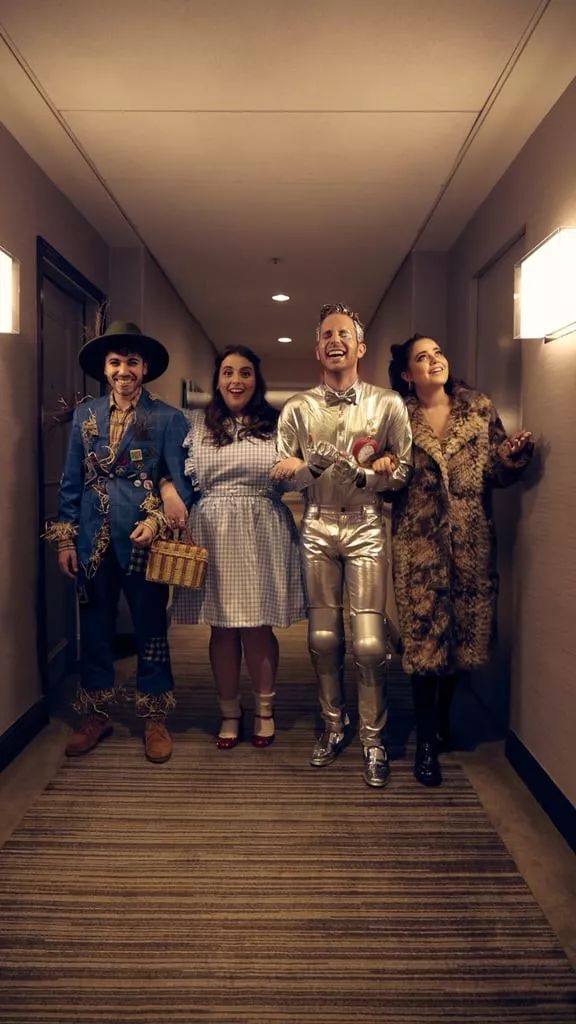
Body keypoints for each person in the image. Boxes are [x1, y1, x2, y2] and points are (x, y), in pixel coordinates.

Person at [381, 334, 534, 787]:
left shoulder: (478, 410)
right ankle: (426, 741)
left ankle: (443, 720)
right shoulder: (398, 416)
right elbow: (388, 484)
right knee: (424, 643)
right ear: (407, 374)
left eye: (438, 353)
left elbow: (495, 471)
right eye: (422, 357)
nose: (435, 361)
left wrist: (512, 457)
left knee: (461, 642)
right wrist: (381, 465)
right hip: (418, 545)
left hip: (471, 542)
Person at [272, 303, 412, 788]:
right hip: (316, 523)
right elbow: (282, 476)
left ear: (360, 347)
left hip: (366, 523)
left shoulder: (388, 404)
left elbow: (404, 471)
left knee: (370, 644)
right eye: (327, 335)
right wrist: (306, 469)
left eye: (344, 334)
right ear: (317, 349)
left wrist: (369, 476)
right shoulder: (297, 408)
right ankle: (334, 725)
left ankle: (374, 739)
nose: (335, 341)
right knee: (322, 637)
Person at [44, 321, 193, 763]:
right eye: (115, 362)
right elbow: (72, 480)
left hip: (143, 540)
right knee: (94, 628)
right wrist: (65, 540)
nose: (123, 370)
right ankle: (96, 714)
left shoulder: (166, 417)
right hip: (91, 539)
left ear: (144, 368)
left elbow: (182, 482)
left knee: (151, 628)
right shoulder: (85, 416)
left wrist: (158, 520)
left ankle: (154, 716)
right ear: (104, 369)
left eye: (131, 362)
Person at [169, 345, 305, 748]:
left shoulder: (278, 424)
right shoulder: (194, 423)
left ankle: (264, 710)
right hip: (212, 529)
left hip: (263, 528)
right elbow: (170, 470)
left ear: (256, 380)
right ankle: (229, 712)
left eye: (245, 372)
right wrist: (166, 489)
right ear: (217, 380)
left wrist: (302, 467)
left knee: (258, 627)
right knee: (223, 628)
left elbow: (299, 478)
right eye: (228, 372)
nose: (236, 380)